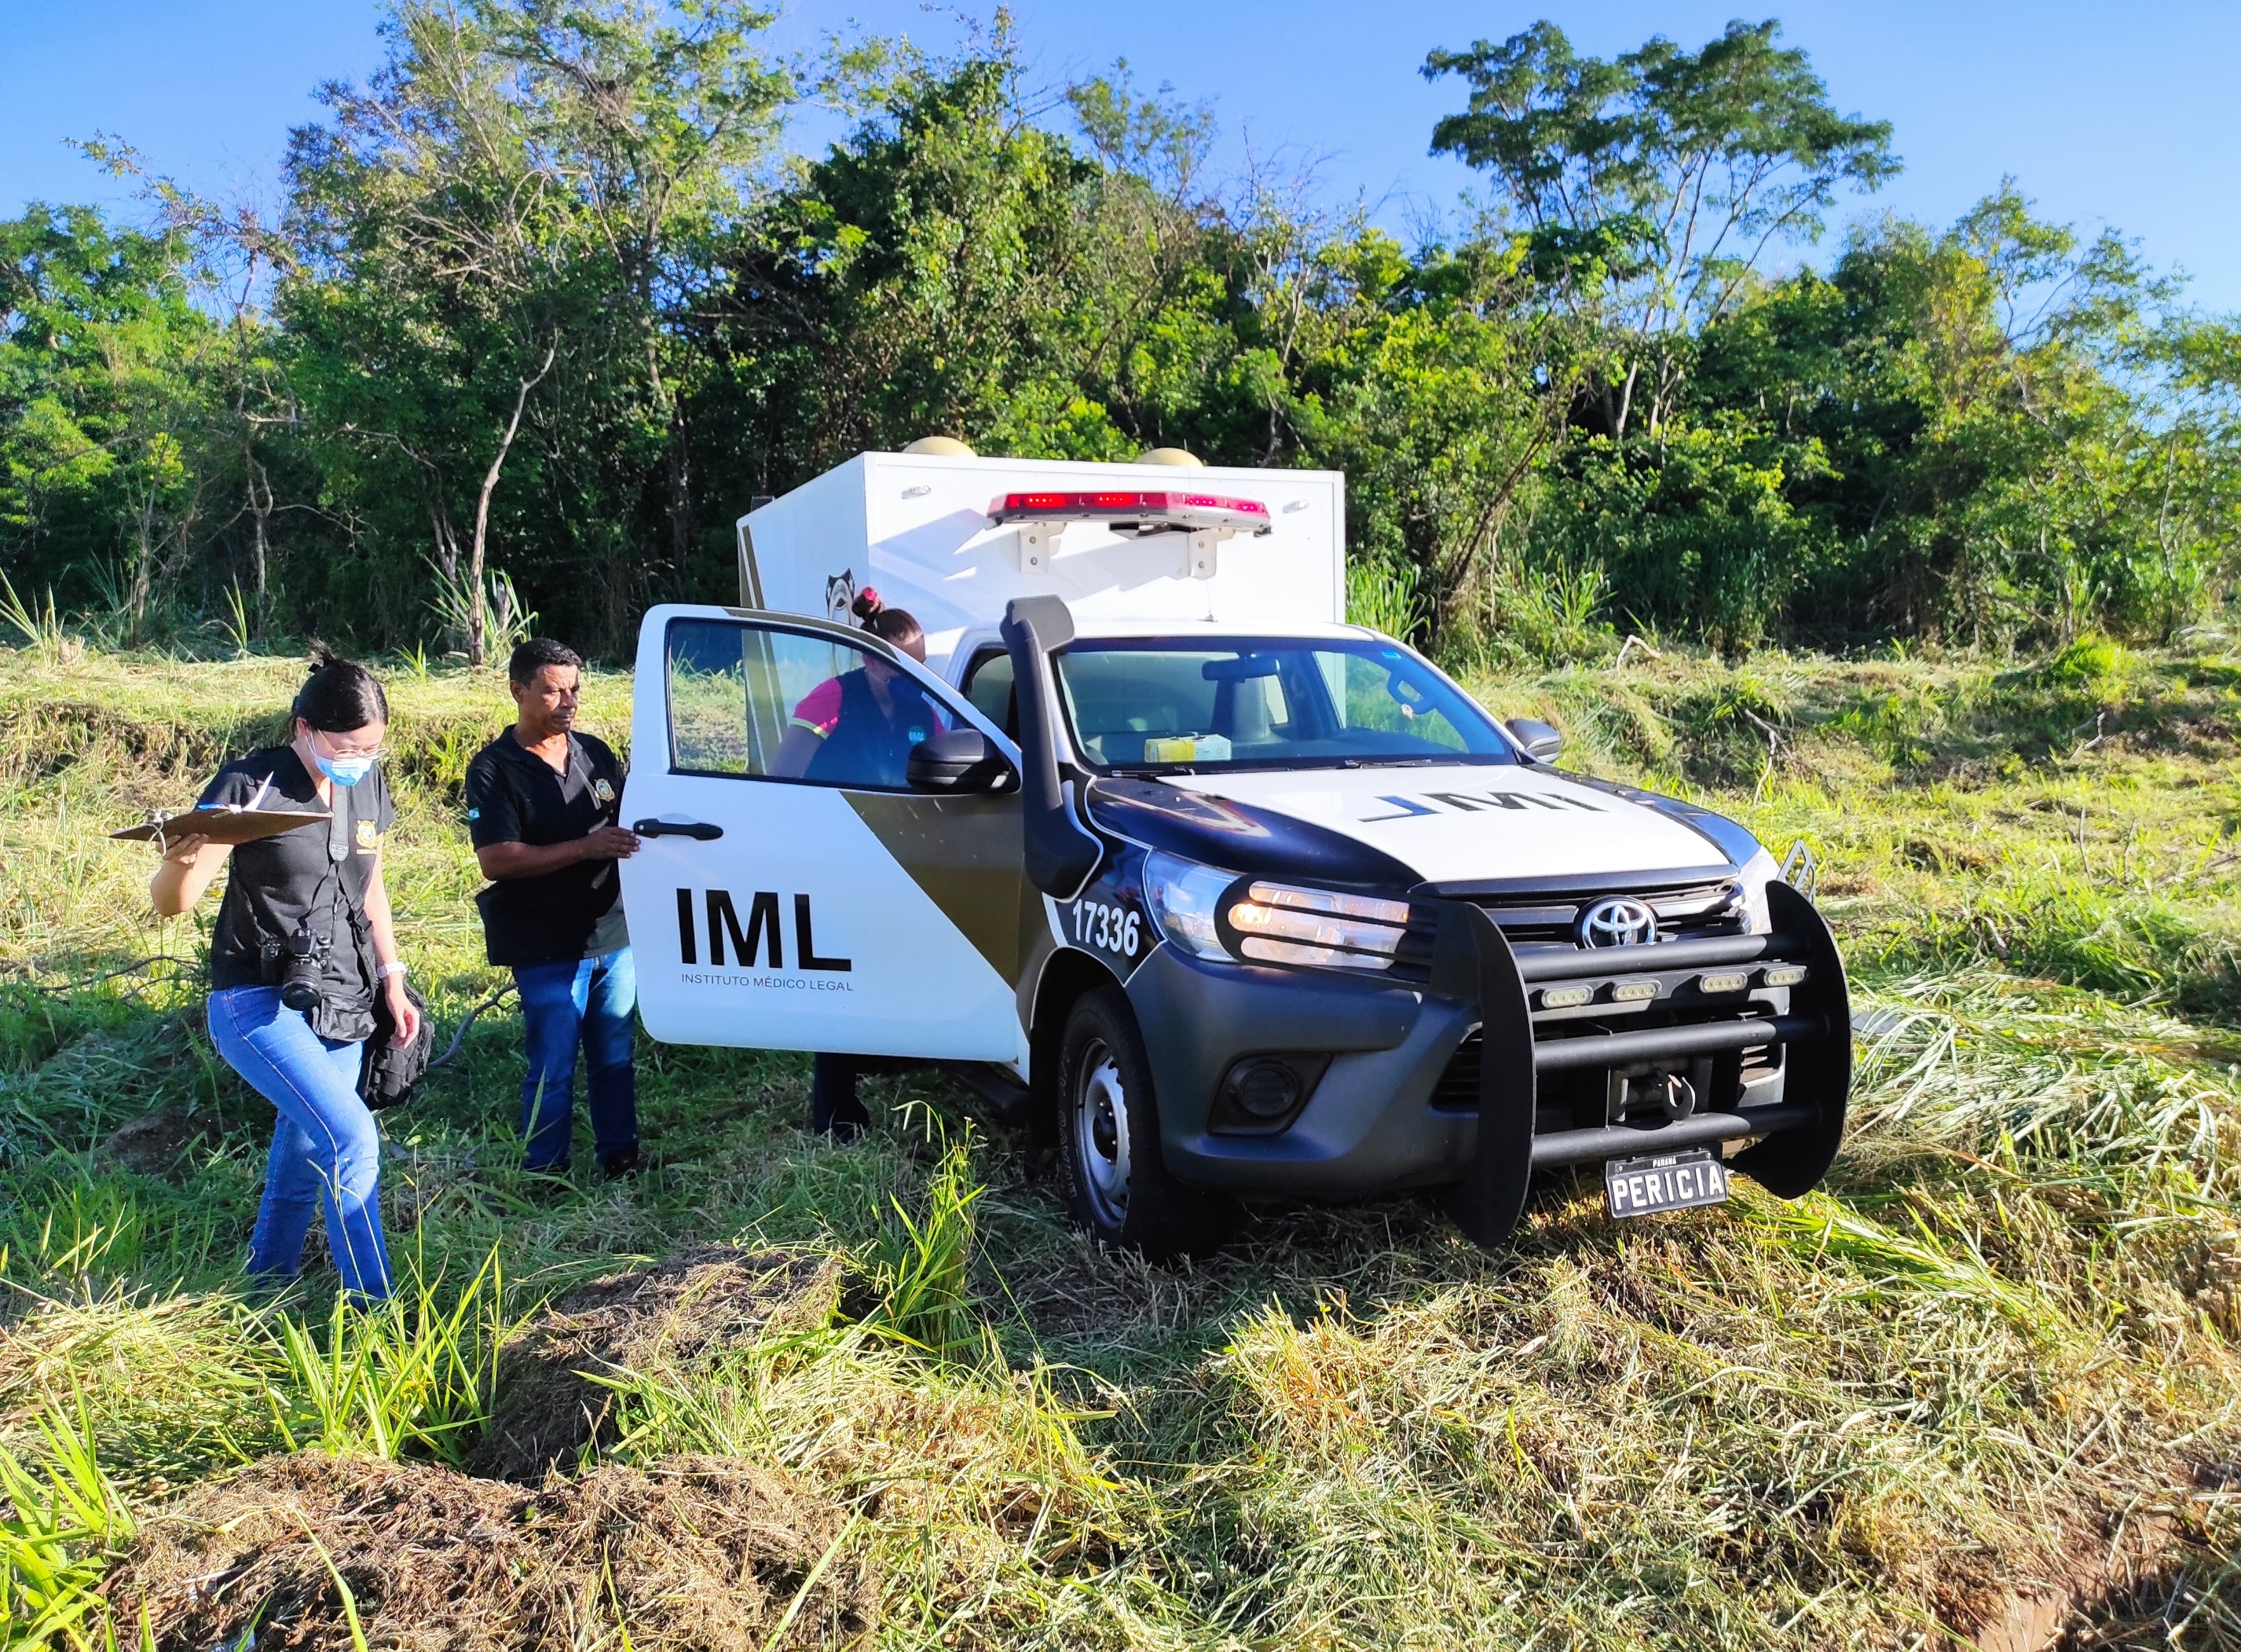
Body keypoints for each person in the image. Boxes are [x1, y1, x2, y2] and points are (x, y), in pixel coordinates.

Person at [152, 654, 418, 1306]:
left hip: (344, 999)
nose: (359, 759)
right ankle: (374, 1308)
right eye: (346, 747)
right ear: (304, 728)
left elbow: (371, 884)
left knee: (305, 1155)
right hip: (257, 1001)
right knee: (351, 1136)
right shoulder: (251, 782)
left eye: (372, 747)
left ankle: (264, 1288)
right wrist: (180, 854)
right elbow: (173, 901)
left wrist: (391, 975)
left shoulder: (366, 785)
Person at [465, 638, 642, 1179]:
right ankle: (544, 1173)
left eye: (574, 690)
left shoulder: (594, 753)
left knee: (615, 1056)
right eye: (552, 691)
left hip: (612, 934)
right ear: (518, 691)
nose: (568, 702)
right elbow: (497, 858)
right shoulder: (494, 769)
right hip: (545, 944)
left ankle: (622, 1159)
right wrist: (585, 847)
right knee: (553, 1064)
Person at [773, 589, 946, 1138]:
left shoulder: (925, 706)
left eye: (920, 665)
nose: (914, 676)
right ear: (871, 659)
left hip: (904, 862)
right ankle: (835, 1114)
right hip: (839, 860)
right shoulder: (832, 697)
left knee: (893, 972)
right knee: (840, 986)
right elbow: (783, 778)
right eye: (902, 666)